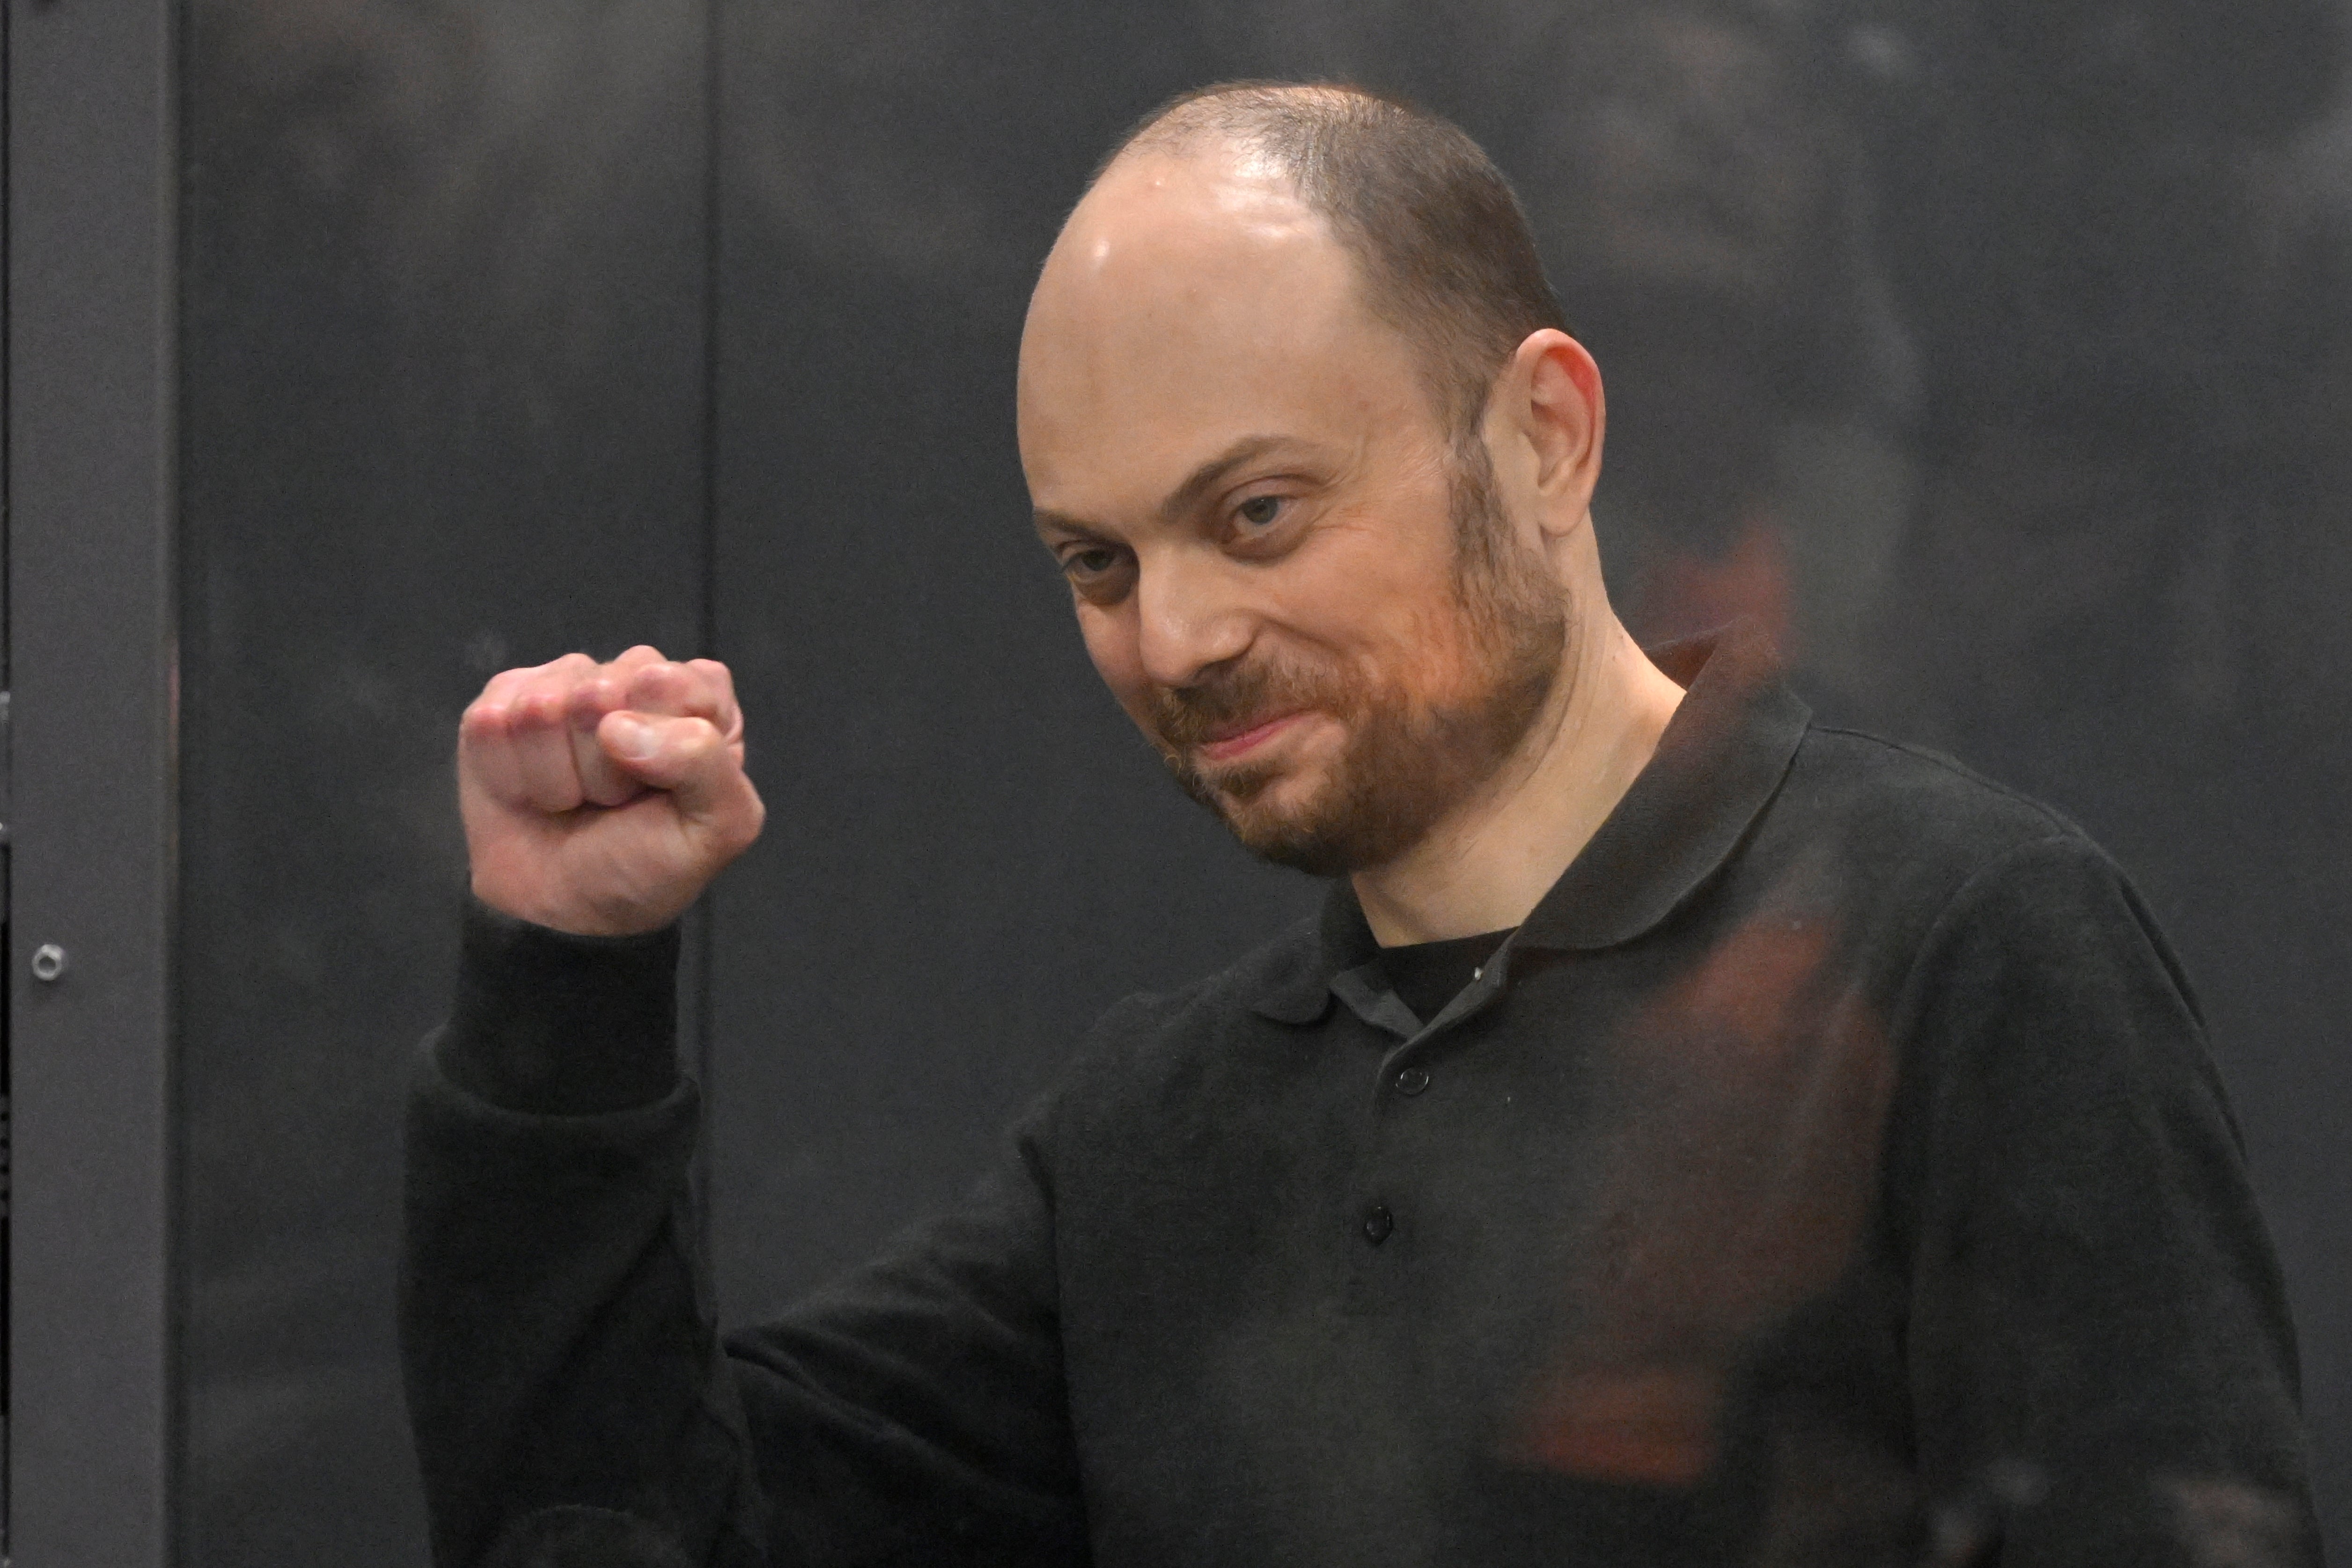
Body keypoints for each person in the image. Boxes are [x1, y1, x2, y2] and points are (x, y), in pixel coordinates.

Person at [403, 83, 2317, 1568]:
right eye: (1095, 558)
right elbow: (625, 1531)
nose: (1172, 637)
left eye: (1253, 514)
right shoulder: (1154, 1135)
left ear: (1545, 439)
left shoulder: (1964, 944)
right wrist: (562, 982)